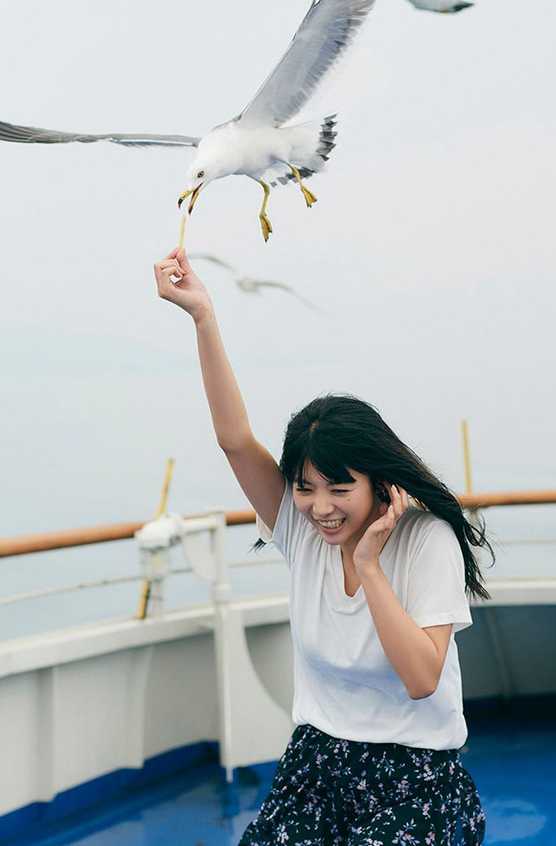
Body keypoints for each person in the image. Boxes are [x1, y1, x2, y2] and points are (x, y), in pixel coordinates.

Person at [154, 248, 492, 845]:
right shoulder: (302, 528)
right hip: (317, 764)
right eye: (306, 488)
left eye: (340, 487)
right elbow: (235, 441)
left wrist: (369, 564)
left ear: (379, 482)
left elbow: (421, 679)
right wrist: (203, 317)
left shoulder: (425, 540)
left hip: (415, 775)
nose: (321, 507)